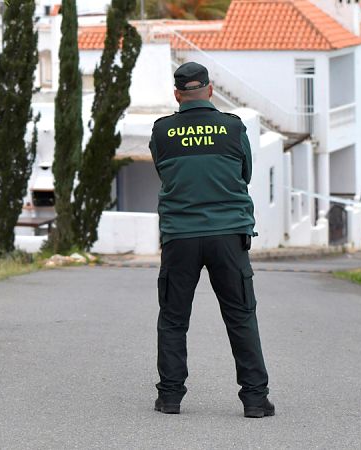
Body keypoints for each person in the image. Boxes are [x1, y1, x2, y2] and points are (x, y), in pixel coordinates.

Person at [148, 62, 274, 418]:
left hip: (180, 238)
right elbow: (245, 174)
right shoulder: (233, 128)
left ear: (177, 94)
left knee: (173, 319)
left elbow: (163, 172)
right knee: (241, 316)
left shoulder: (162, 132)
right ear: (210, 89)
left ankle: (170, 397)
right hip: (228, 236)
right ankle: (254, 400)